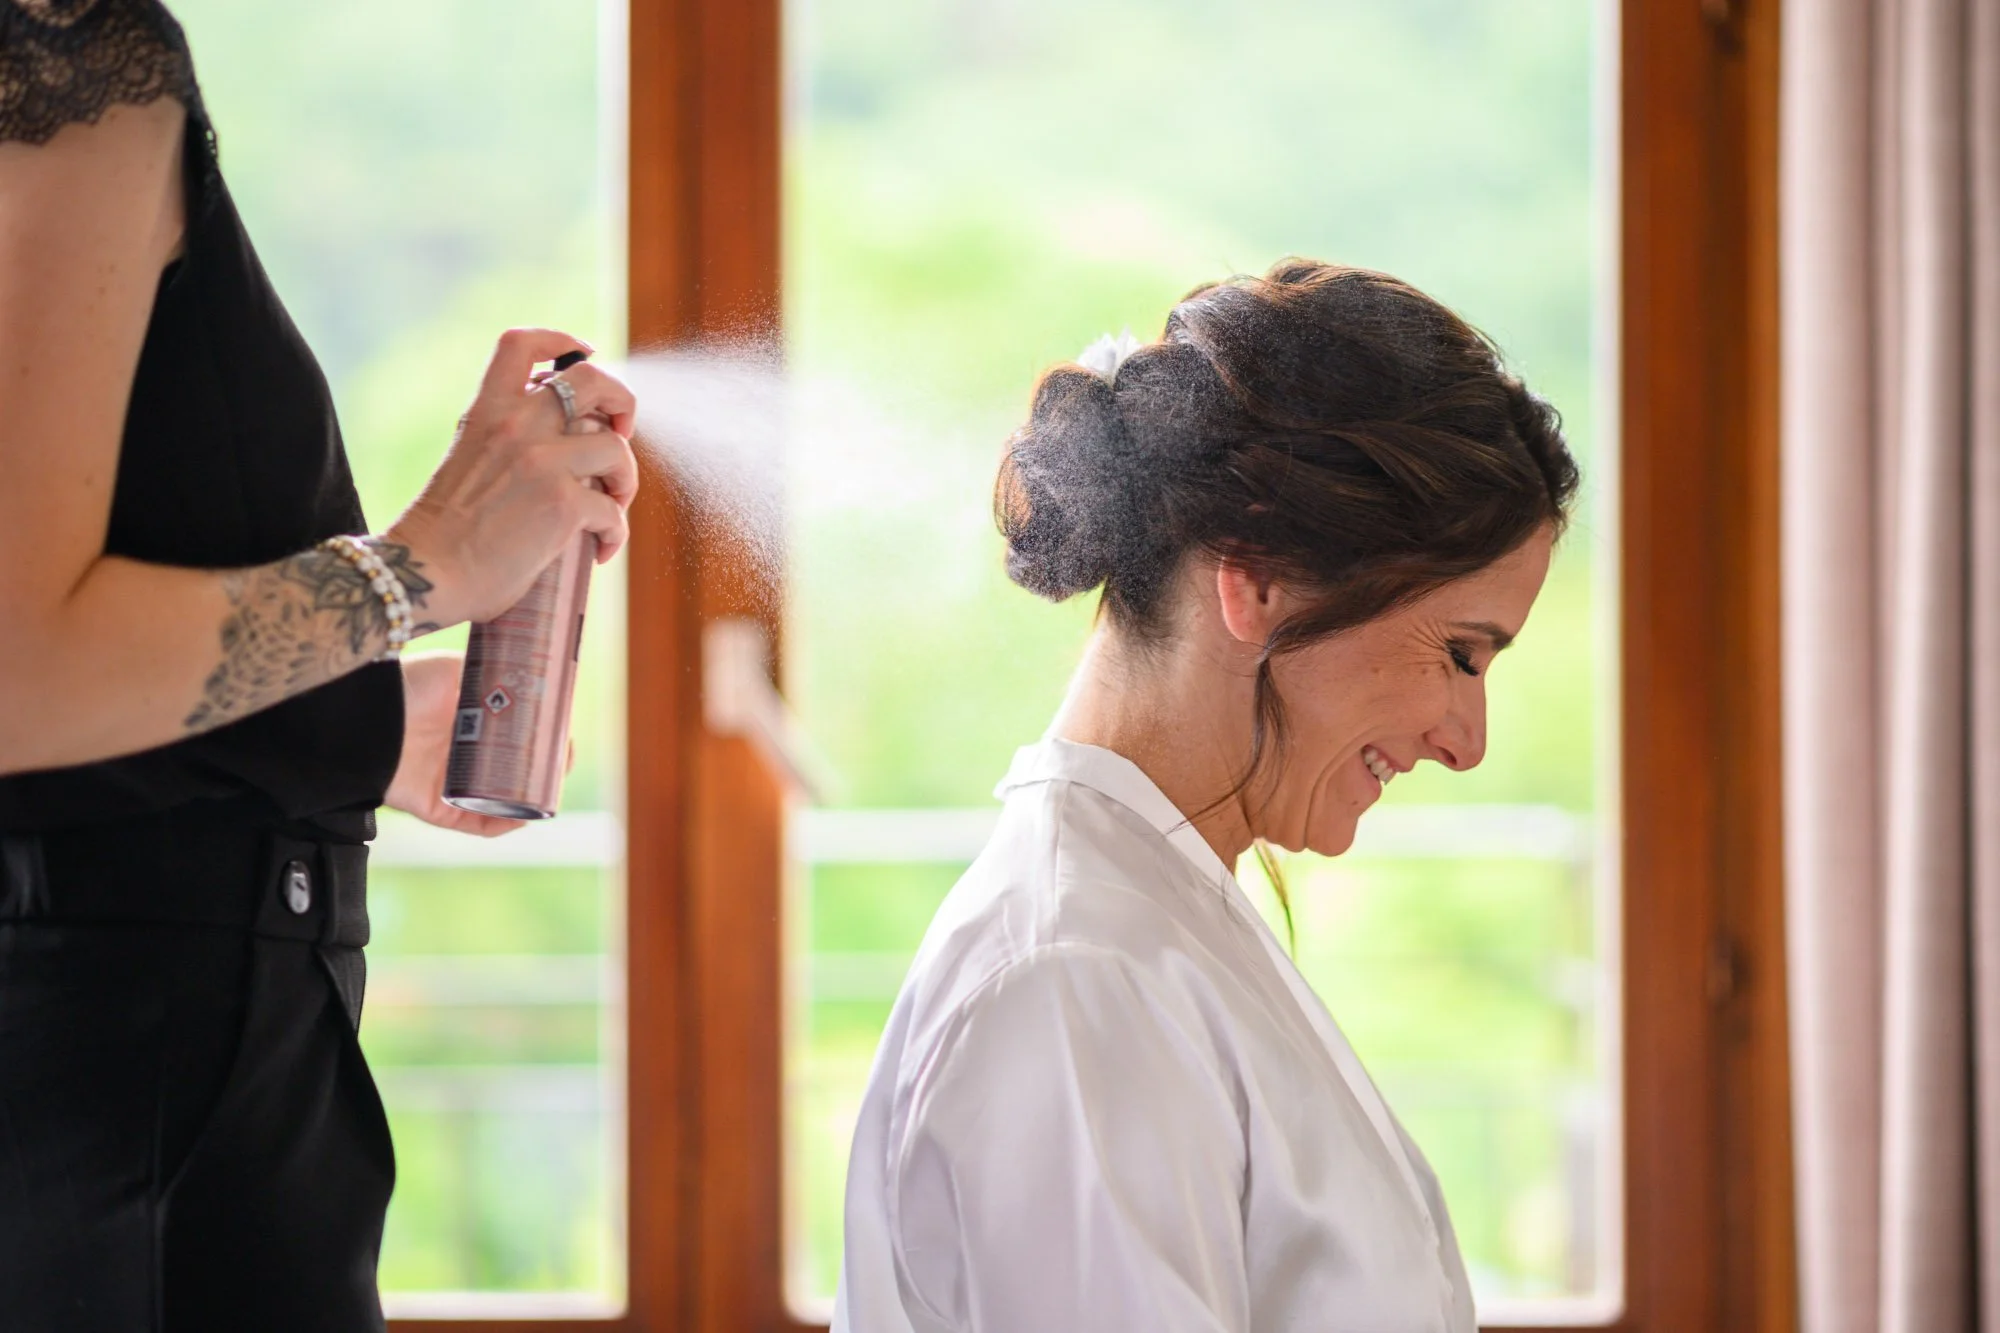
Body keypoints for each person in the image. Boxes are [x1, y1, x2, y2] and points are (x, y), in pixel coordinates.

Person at [0, 2, 637, 1329]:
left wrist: (336, 724)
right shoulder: (68, 55)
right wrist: (421, 566)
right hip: (143, 1115)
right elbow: (18, 670)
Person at [833, 261, 1581, 1332]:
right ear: (1258, 575)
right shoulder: (1077, 976)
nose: (1466, 742)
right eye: (1458, 654)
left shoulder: (1145, 926)